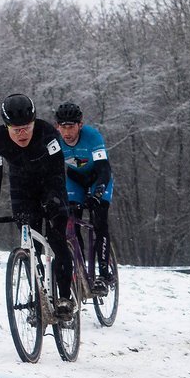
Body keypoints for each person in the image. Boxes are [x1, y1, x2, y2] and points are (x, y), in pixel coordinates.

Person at [0, 94, 74, 319]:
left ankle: (64, 298)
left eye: (26, 128)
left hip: (51, 183)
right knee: (31, 245)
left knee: (56, 238)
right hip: (22, 187)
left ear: (34, 123)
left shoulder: (47, 133)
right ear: (6, 127)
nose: (22, 134)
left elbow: (59, 172)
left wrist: (56, 200)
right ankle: (37, 298)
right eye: (16, 129)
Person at [54, 101, 114, 293]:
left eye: (71, 126)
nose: (67, 132)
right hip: (75, 180)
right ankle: (79, 269)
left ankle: (103, 275)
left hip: (98, 178)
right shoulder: (56, 141)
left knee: (99, 220)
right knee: (70, 219)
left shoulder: (92, 136)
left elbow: (104, 168)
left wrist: (97, 194)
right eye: (62, 127)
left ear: (80, 125)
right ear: (57, 127)